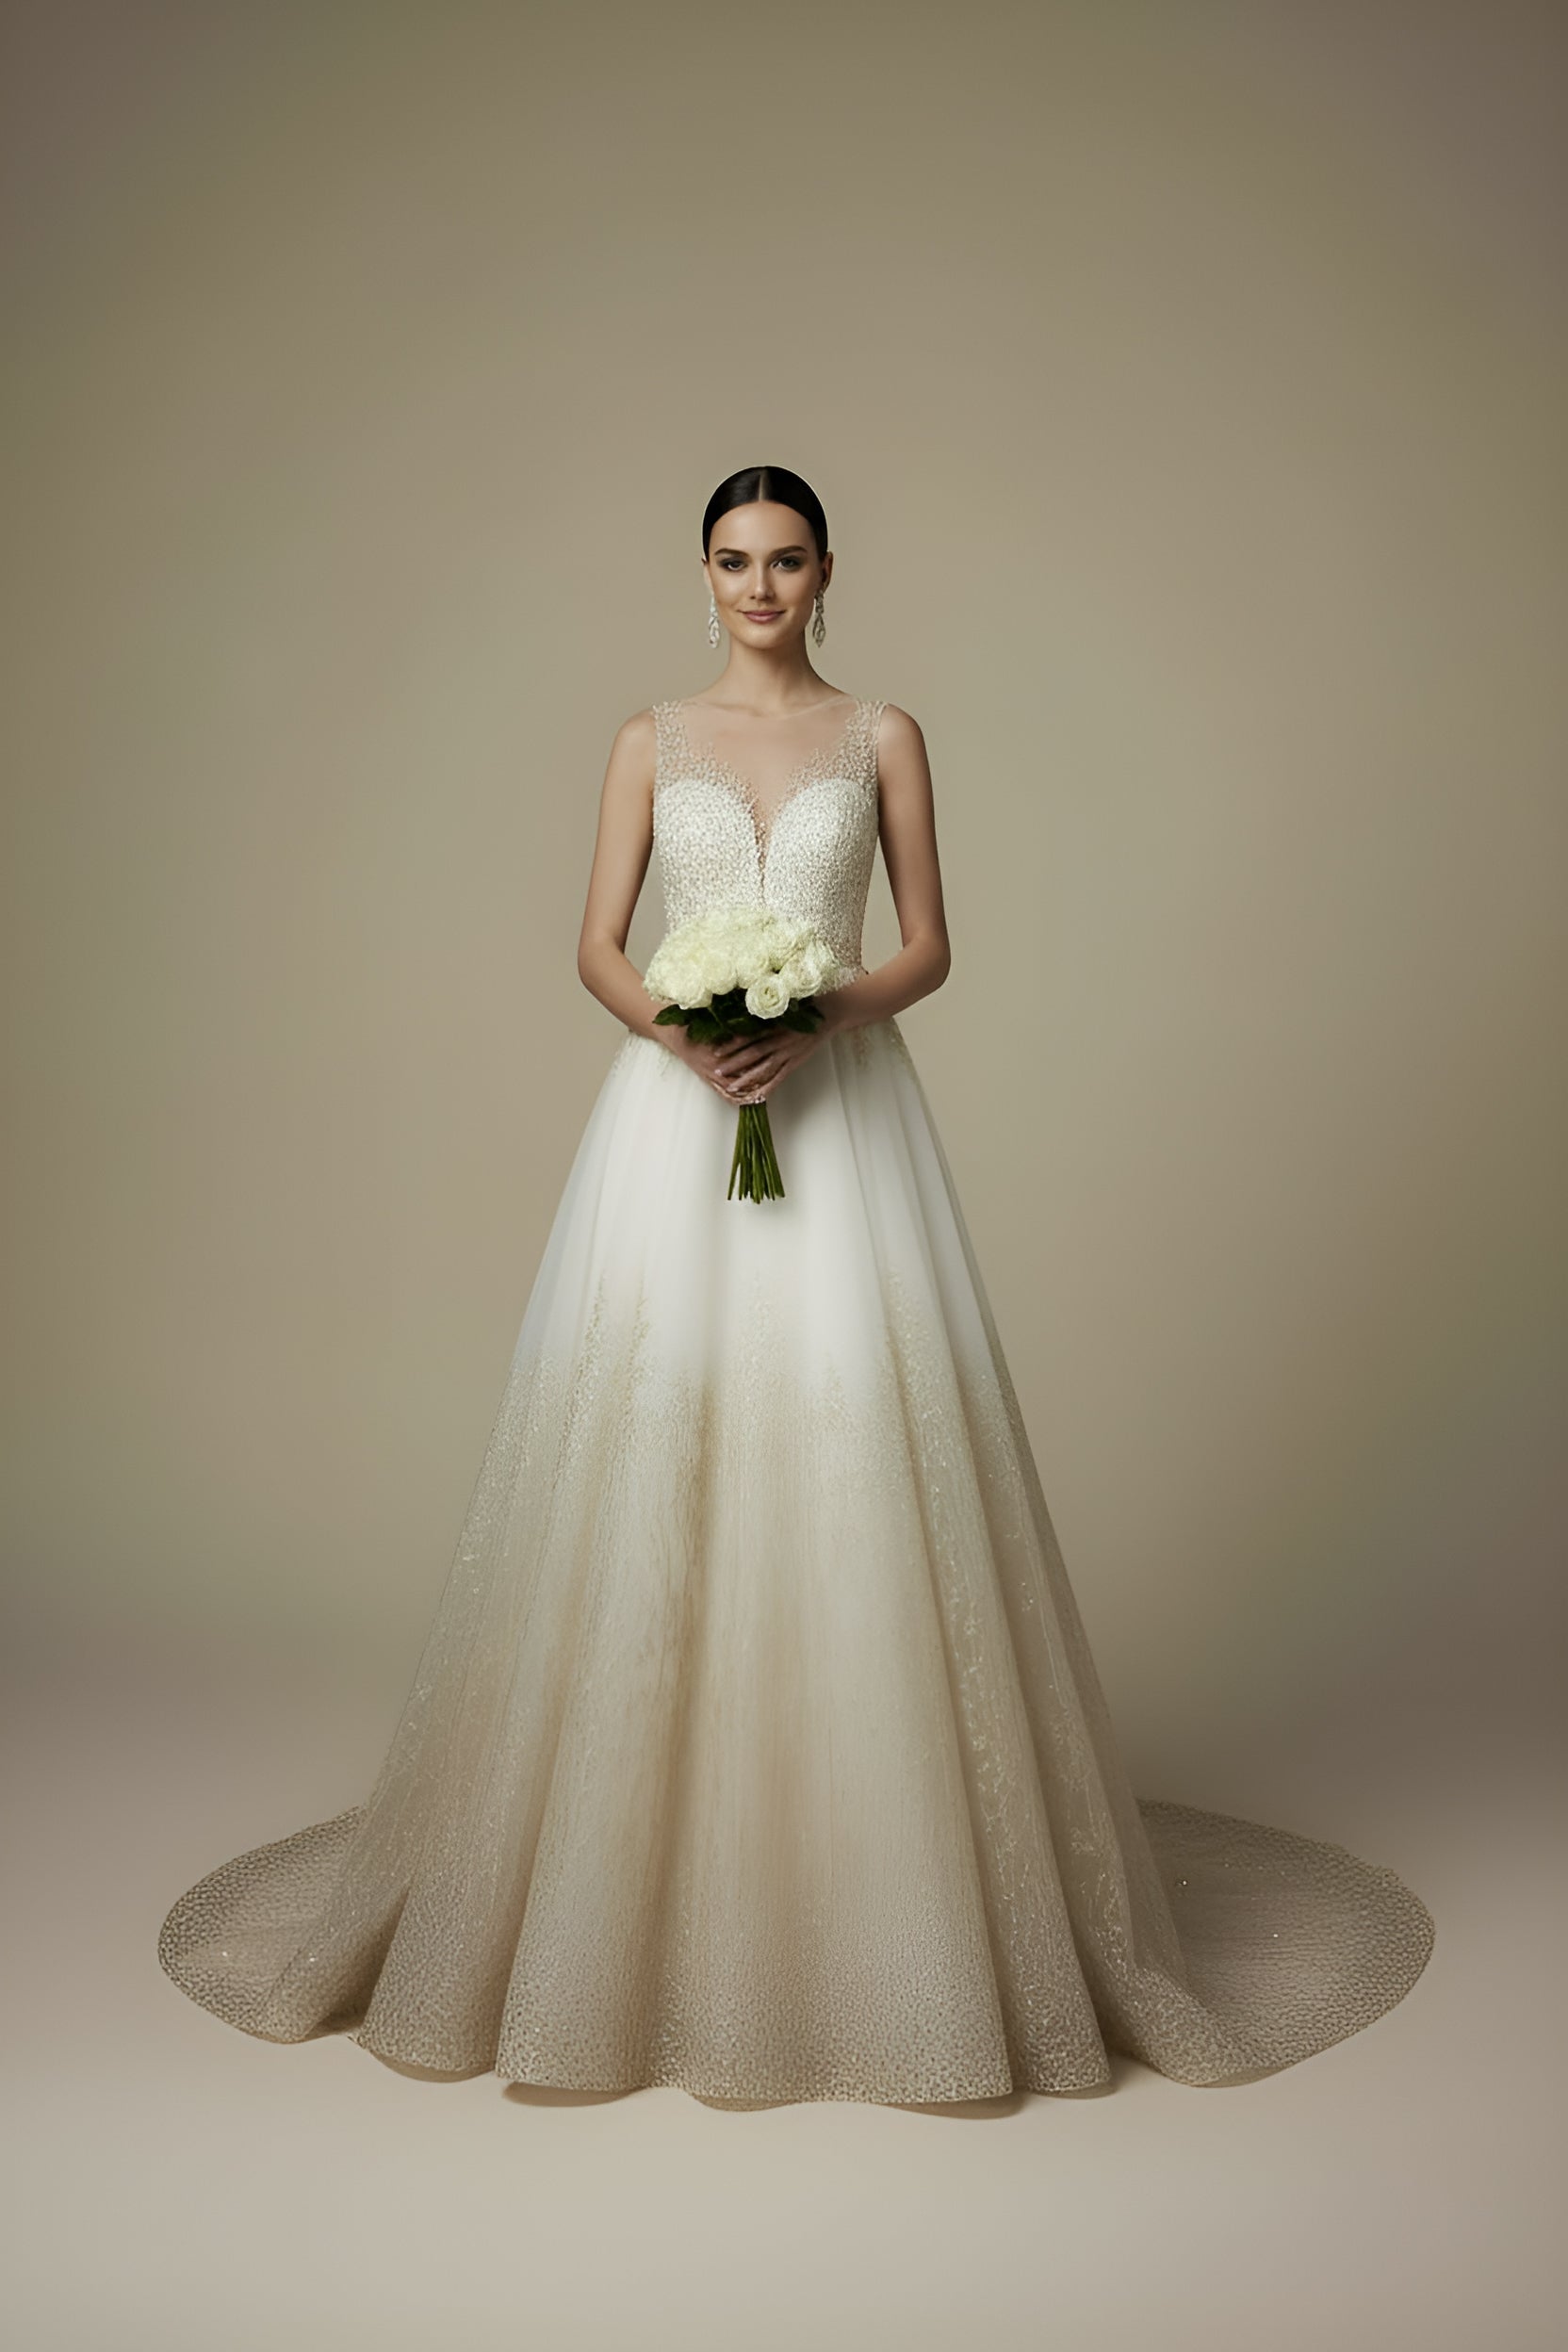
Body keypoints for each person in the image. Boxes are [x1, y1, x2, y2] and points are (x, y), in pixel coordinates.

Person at [158, 465, 1433, 2106]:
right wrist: (691, 1039)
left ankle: (884, 1887)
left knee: (858, 1448)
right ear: (701, 575)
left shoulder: (883, 734)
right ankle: (636, 1885)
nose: (758, 586)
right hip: (678, 1124)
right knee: (649, 1453)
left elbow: (930, 944)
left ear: (829, 573)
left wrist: (815, 1016)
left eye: (785, 560)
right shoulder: (648, 740)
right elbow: (597, 943)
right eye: (732, 560)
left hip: (845, 1113)